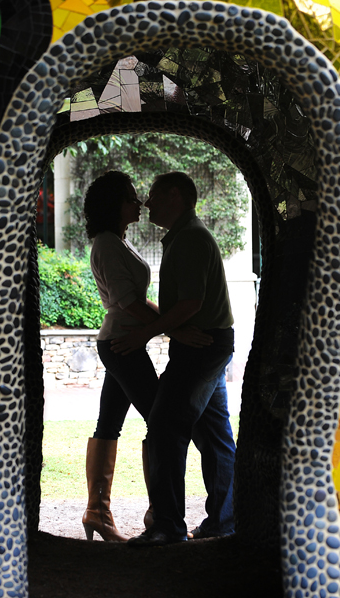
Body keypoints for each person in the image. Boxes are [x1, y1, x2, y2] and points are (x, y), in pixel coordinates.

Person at [80, 171, 214, 542]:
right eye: (129, 198)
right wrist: (173, 328)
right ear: (113, 206)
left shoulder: (116, 241)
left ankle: (98, 513)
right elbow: (129, 303)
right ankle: (159, 514)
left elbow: (133, 302)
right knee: (162, 420)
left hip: (125, 342)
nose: (138, 202)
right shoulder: (107, 244)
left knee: (109, 424)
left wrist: (164, 325)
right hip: (123, 344)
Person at [112, 171, 237, 547]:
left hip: (202, 348)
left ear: (175, 195)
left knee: (165, 427)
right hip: (207, 344)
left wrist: (145, 332)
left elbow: (191, 303)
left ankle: (167, 527)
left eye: (152, 194)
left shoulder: (191, 239)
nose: (147, 202)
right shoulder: (185, 237)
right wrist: (171, 330)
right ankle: (224, 522)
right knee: (215, 437)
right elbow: (188, 306)